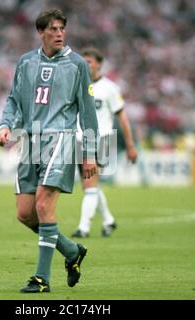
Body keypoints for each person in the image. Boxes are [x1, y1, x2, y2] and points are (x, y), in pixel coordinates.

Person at [0, 9, 98, 293]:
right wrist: (5, 125)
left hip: (61, 140)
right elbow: (14, 100)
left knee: (43, 205)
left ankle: (41, 279)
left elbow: (88, 113)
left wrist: (90, 153)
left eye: (62, 29)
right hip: (29, 140)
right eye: (53, 29)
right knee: (25, 213)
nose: (59, 34)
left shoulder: (77, 65)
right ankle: (71, 251)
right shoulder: (26, 61)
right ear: (40, 32)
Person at [72, 48, 138, 238]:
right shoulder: (77, 85)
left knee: (90, 185)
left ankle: (83, 228)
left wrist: (130, 146)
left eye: (89, 62)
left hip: (101, 140)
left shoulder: (109, 88)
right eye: (83, 62)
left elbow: (123, 118)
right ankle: (108, 220)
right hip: (79, 139)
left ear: (99, 64)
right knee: (88, 185)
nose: (86, 65)